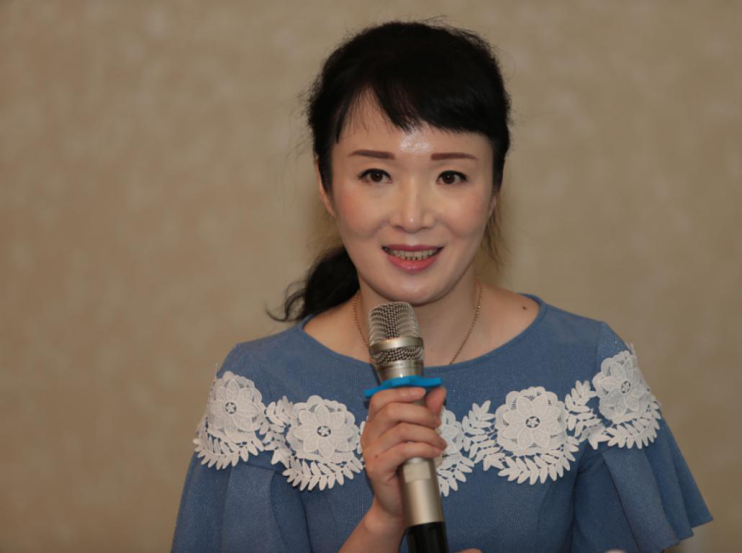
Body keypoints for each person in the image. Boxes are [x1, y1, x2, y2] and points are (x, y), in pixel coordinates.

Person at [171, 19, 712, 553]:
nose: (412, 217)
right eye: (376, 175)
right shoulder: (260, 390)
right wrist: (383, 522)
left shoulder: (588, 368)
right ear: (326, 185)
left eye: (450, 176)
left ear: (495, 187)